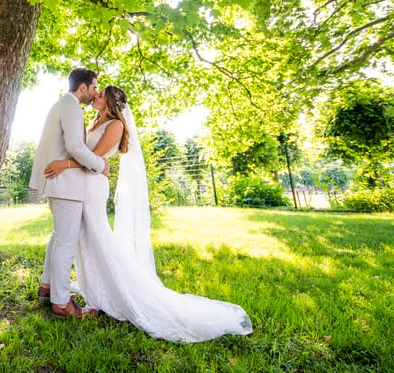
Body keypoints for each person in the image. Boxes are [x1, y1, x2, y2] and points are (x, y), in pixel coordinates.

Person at [44, 85, 253, 342]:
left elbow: (95, 159)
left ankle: (117, 292)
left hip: (92, 188)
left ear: (110, 103)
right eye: (95, 93)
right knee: (83, 239)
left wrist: (64, 164)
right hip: (81, 185)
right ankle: (94, 291)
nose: (95, 97)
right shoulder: (95, 120)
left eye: (100, 95)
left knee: (97, 237)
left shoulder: (115, 126)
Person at [29, 68, 110, 319]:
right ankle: (61, 303)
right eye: (94, 87)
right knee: (66, 242)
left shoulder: (61, 105)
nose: (95, 92)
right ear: (83, 87)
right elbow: (75, 146)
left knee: (58, 238)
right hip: (65, 184)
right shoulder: (72, 107)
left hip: (59, 183)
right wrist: (99, 164)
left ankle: (48, 287)